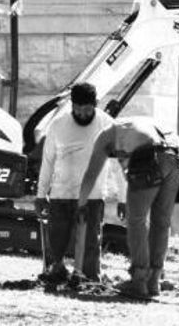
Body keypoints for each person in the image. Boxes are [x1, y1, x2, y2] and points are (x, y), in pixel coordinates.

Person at [78, 117, 179, 299]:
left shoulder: (105, 135)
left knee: (136, 220)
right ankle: (154, 281)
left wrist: (80, 203)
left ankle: (139, 280)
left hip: (150, 155)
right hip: (176, 156)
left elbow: (91, 174)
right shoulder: (138, 126)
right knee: (161, 222)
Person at [35, 82, 114, 283]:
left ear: (95, 104)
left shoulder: (107, 124)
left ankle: (89, 278)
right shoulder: (58, 125)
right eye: (77, 109)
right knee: (57, 237)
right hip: (61, 193)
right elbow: (48, 160)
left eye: (87, 110)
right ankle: (56, 271)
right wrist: (40, 194)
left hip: (92, 197)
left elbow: (116, 163)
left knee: (90, 241)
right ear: (71, 105)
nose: (82, 114)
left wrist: (121, 197)